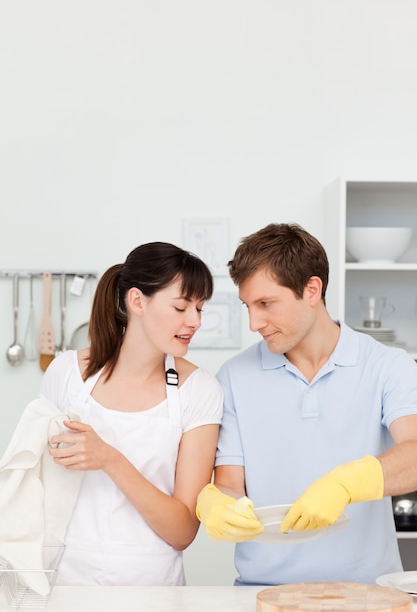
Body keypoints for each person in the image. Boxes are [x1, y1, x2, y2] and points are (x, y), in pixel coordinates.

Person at [196, 222, 417, 586]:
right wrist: (217, 504)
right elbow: (230, 485)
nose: (254, 322)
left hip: (368, 594)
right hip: (260, 594)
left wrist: (346, 483)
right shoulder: (234, 376)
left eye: (266, 304)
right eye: (248, 306)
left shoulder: (386, 365)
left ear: (312, 290)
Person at [40, 242, 223, 586]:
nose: (195, 321)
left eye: (199, 308)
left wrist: (110, 459)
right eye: (182, 307)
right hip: (63, 583)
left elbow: (183, 531)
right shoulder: (65, 374)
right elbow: (36, 486)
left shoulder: (199, 390)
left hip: (152, 588)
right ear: (137, 301)